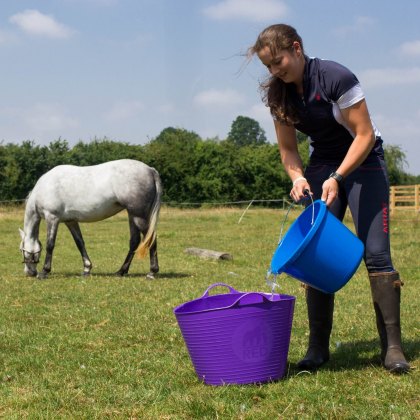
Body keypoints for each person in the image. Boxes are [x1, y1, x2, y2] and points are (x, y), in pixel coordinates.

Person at [248, 23, 410, 374]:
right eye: (268, 67)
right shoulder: (280, 96)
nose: (275, 71)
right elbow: (289, 151)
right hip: (322, 164)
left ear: (296, 48)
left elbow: (365, 135)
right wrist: (298, 177)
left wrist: (339, 177)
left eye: (278, 62)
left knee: (377, 253)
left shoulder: (336, 77)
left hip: (364, 163)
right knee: (315, 257)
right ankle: (318, 348)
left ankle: (393, 348)